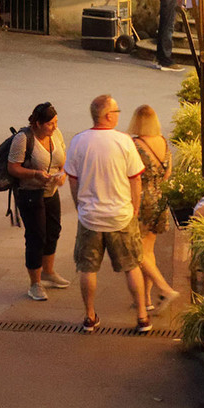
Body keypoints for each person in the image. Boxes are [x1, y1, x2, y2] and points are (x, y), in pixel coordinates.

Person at [63, 94, 150, 334]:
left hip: (90, 216)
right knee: (132, 266)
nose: (119, 115)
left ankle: (90, 316)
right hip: (121, 215)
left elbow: (72, 179)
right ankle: (142, 315)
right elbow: (135, 179)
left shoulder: (79, 141)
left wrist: (79, 205)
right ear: (108, 115)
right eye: (117, 111)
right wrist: (135, 207)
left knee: (87, 268)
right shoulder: (124, 142)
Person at [8, 103, 69, 302]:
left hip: (50, 191)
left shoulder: (56, 135)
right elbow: (13, 168)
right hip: (30, 193)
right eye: (50, 124)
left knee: (53, 231)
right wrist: (35, 174)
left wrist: (62, 175)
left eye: (56, 122)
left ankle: (48, 272)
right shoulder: (23, 139)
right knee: (36, 237)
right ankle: (35, 284)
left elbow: (63, 160)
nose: (54, 127)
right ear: (37, 123)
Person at [128, 105, 180, 308]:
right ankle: (146, 300)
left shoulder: (135, 145)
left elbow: (131, 175)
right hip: (160, 200)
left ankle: (165, 289)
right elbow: (167, 174)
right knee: (148, 251)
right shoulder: (163, 143)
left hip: (141, 201)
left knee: (136, 251)